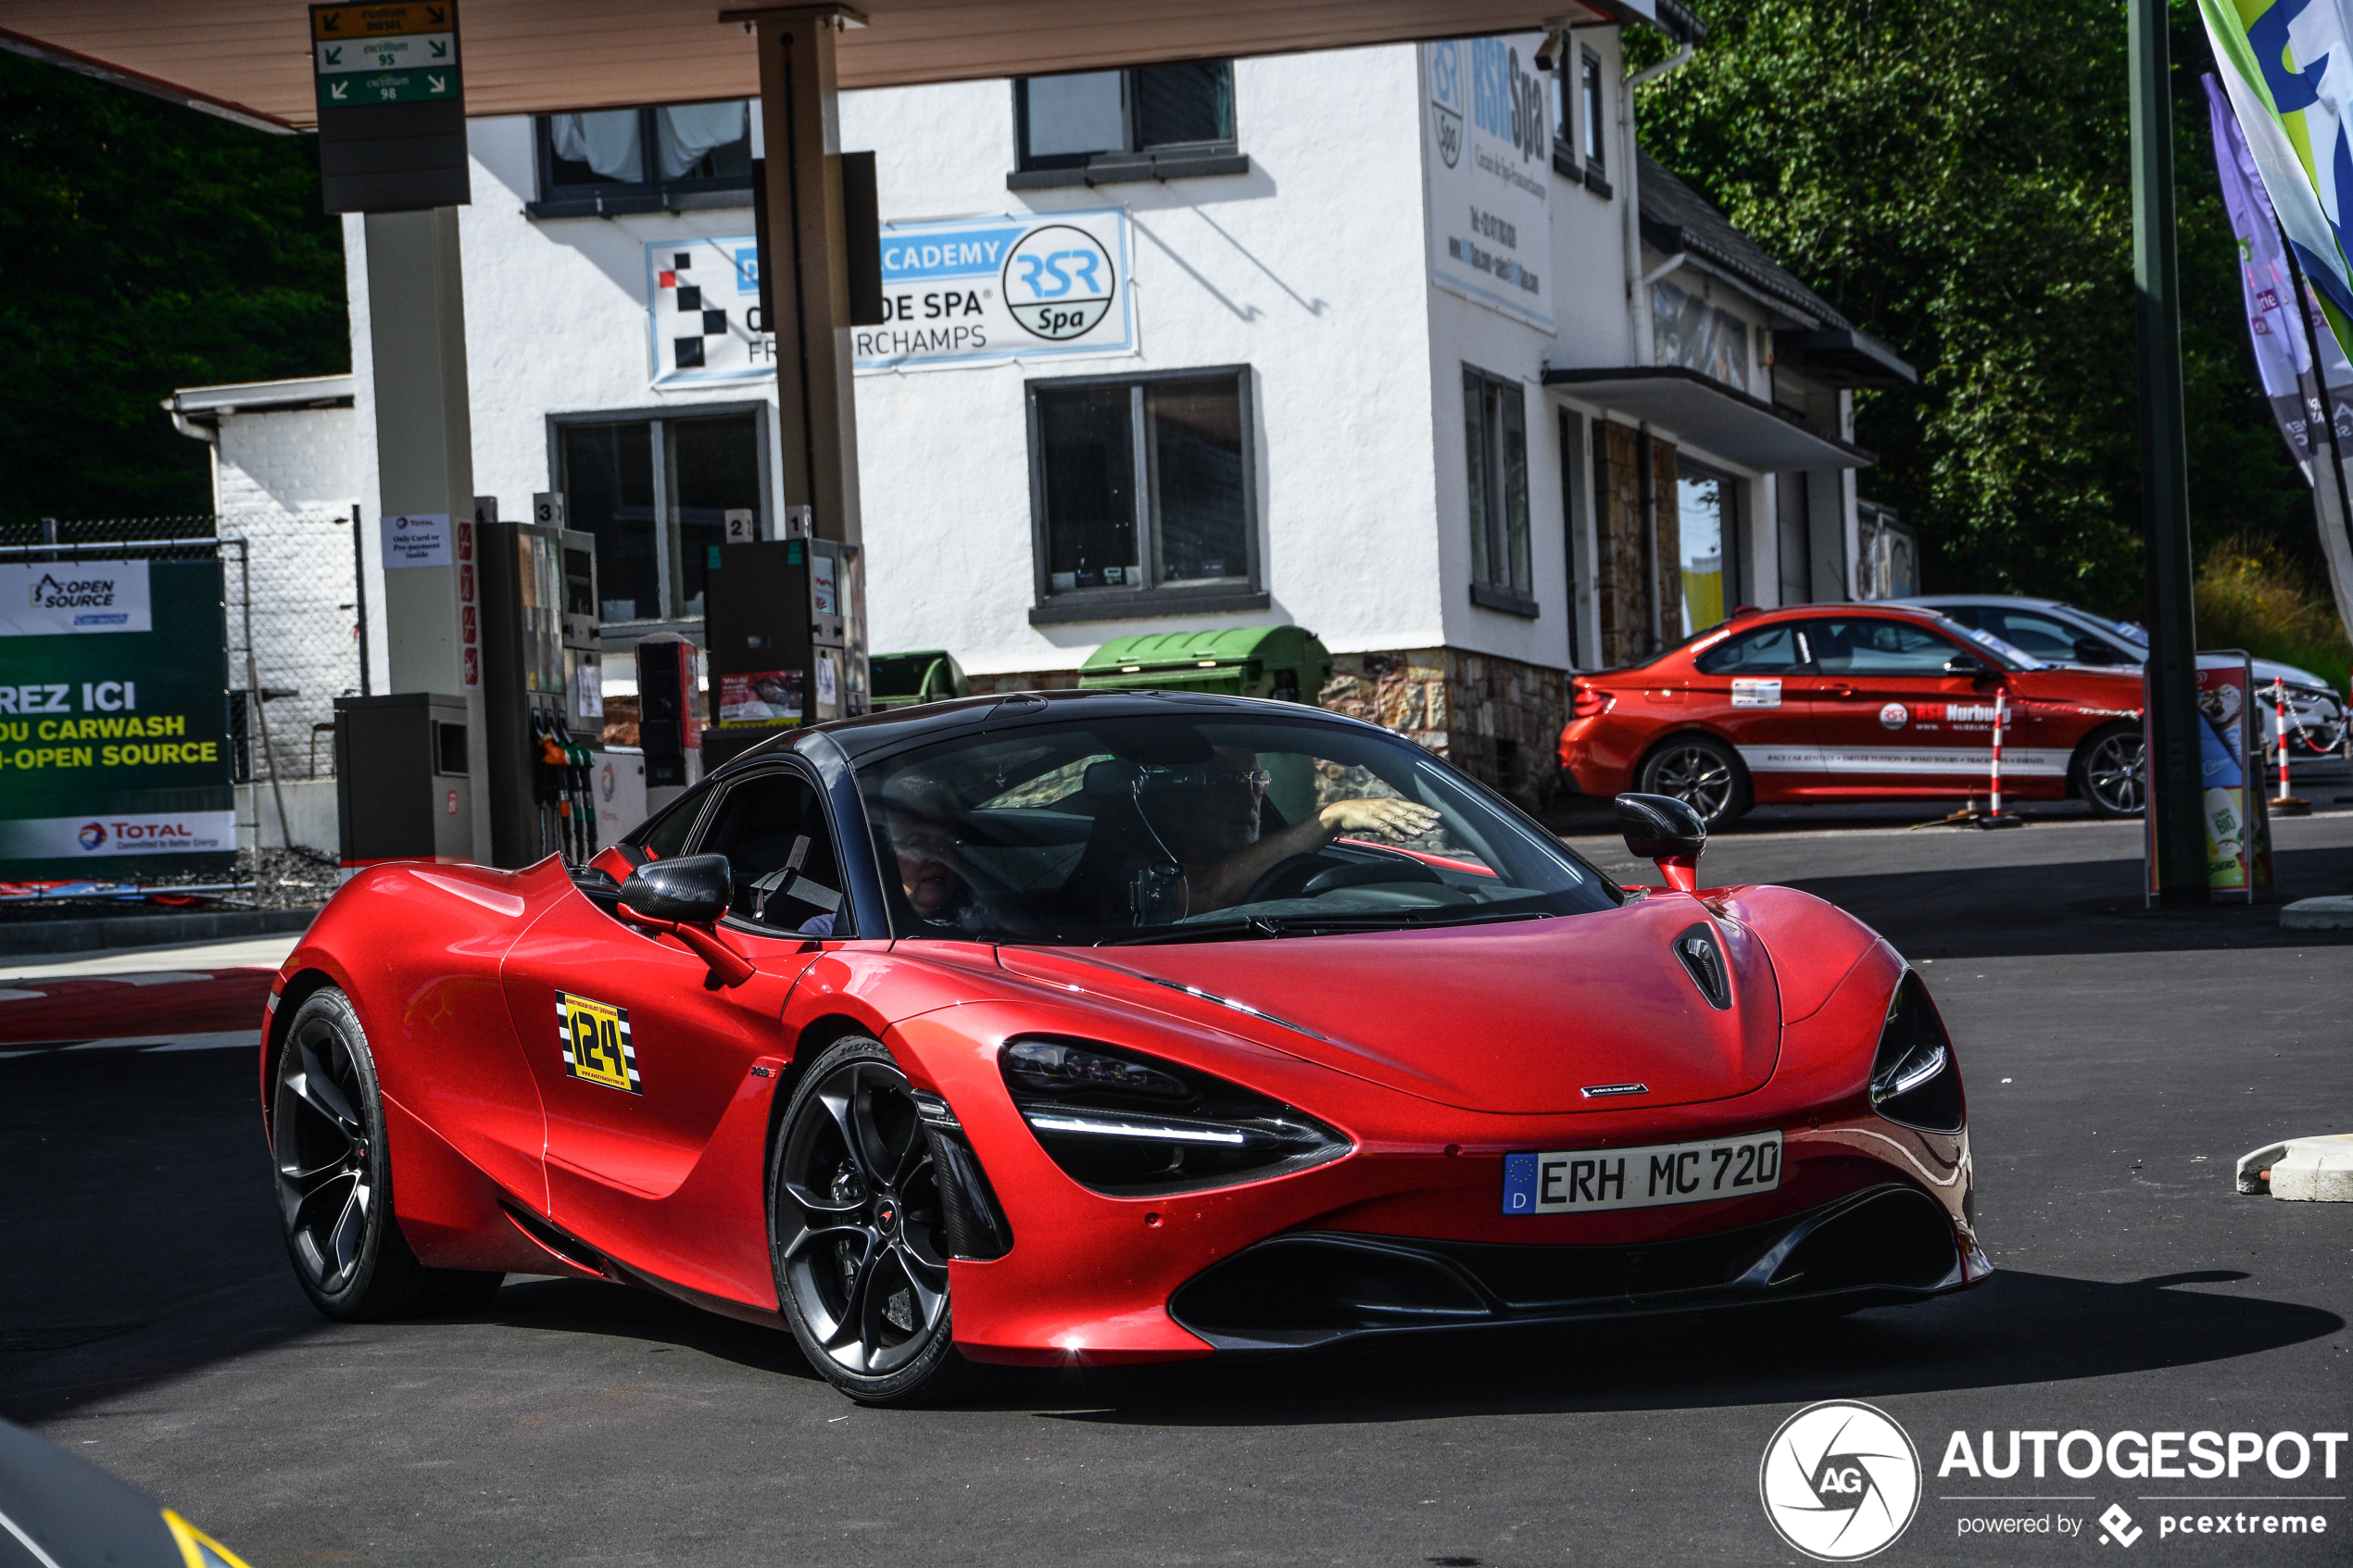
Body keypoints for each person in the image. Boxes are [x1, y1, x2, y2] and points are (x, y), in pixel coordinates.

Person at [1145, 746, 1438, 916]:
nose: (1250, 798)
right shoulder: (1132, 866)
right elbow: (1208, 892)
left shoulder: (1279, 863)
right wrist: (1332, 815)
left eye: (1257, 780)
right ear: (1177, 799)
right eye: (1229, 781)